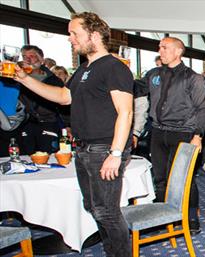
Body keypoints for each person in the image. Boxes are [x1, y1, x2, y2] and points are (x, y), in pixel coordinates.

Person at [13, 12, 135, 256]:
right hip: (83, 149)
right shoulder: (84, 69)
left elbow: (126, 112)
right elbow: (63, 97)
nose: (70, 39)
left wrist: (116, 153)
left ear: (95, 34)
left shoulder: (113, 67)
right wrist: (25, 79)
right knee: (94, 207)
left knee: (107, 212)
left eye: (74, 33)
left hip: (104, 149)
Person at [144, 37, 205, 233]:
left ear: (178, 51)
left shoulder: (192, 77)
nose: (160, 50)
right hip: (157, 132)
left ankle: (191, 218)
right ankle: (165, 217)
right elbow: (134, 91)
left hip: (183, 133)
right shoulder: (153, 74)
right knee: (160, 177)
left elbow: (202, 109)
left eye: (165, 47)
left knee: (184, 178)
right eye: (159, 47)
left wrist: (197, 135)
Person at [15, 45, 66, 155]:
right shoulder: (17, 78)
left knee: (50, 158)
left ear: (41, 59)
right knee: (26, 158)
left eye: (32, 56)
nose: (27, 59)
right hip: (26, 125)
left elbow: (64, 105)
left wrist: (68, 125)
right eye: (24, 56)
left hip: (49, 124)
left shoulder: (54, 80)